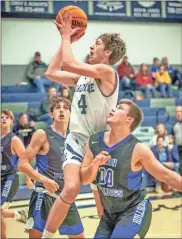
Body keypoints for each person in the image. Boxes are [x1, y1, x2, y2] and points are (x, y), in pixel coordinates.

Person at [41, 13, 126, 238]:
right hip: (77, 140)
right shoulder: (82, 78)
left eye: (96, 44)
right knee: (69, 188)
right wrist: (65, 41)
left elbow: (69, 63)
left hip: (100, 146)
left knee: (104, 212)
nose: (90, 46)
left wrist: (67, 37)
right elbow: (51, 72)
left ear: (107, 52)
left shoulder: (107, 72)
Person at [80, 99, 182, 238]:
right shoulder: (94, 140)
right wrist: (94, 164)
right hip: (109, 213)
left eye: (120, 108)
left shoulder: (138, 148)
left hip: (133, 208)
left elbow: (167, 176)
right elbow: (85, 180)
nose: (113, 109)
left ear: (129, 119)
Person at [18, 96, 84, 238]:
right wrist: (44, 180)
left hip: (66, 198)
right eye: (57, 108)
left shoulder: (75, 138)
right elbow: (22, 164)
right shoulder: (43, 134)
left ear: (71, 113)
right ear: (51, 114)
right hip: (44, 196)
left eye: (65, 108)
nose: (61, 111)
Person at [1, 109, 30, 239]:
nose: (3, 119)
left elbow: (25, 161)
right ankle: (19, 215)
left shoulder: (14, 139)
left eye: (7, 117)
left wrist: (28, 180)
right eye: (1, 117)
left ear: (12, 121)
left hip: (9, 179)